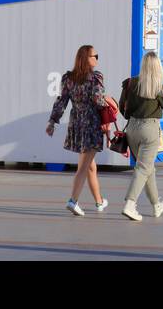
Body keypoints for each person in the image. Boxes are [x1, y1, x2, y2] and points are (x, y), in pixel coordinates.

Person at [46, 44, 117, 215]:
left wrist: (52, 121)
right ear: (86, 58)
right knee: (84, 167)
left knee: (90, 165)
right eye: (95, 56)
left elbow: (61, 101)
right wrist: (111, 101)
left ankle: (99, 202)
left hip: (76, 124)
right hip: (91, 124)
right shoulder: (96, 77)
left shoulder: (68, 78)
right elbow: (99, 100)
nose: (97, 59)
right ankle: (73, 200)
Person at [117, 51, 163, 221]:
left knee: (147, 169)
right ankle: (130, 204)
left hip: (132, 128)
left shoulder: (131, 83)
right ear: (157, 68)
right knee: (143, 168)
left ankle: (156, 205)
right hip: (150, 130)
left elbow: (122, 107)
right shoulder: (159, 88)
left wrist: (129, 117)